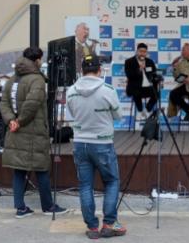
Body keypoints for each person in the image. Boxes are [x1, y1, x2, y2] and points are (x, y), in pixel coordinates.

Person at [0, 47, 68, 219]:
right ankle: (48, 206)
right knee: (42, 168)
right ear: (37, 60)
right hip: (33, 130)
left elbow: (3, 103)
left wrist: (11, 120)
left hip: (15, 130)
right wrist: (20, 121)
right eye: (40, 59)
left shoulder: (12, 79)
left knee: (19, 170)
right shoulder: (37, 79)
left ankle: (20, 208)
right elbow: (32, 104)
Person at [67, 54, 126, 239]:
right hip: (102, 143)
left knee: (85, 185)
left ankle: (92, 228)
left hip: (79, 143)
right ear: (99, 70)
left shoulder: (71, 91)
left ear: (82, 70)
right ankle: (109, 224)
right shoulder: (108, 90)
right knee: (112, 181)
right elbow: (118, 115)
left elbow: (72, 113)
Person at [124, 43, 158, 119]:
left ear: (146, 53)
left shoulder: (150, 62)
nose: (142, 53)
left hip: (147, 87)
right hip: (135, 87)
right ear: (137, 51)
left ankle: (147, 110)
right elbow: (129, 75)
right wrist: (139, 70)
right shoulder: (129, 62)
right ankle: (140, 110)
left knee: (157, 94)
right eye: (141, 51)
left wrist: (157, 79)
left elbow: (154, 74)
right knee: (136, 92)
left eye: (144, 52)